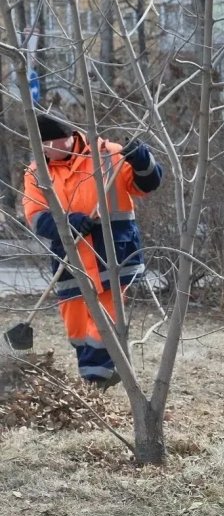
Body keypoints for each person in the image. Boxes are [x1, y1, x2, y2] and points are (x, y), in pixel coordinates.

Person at [22, 111, 164, 387]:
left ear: (67, 138)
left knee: (104, 320)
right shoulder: (37, 172)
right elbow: (36, 216)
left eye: (47, 143)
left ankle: (95, 380)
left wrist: (141, 158)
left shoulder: (108, 155)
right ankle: (103, 370)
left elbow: (149, 183)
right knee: (76, 327)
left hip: (113, 254)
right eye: (38, 145)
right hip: (70, 259)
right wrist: (70, 223)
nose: (43, 150)